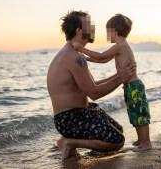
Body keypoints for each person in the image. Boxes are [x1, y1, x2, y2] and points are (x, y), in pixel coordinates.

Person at [47, 11, 136, 160]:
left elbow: (93, 84)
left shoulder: (75, 53)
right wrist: (121, 78)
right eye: (89, 25)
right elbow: (94, 93)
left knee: (118, 130)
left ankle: (71, 145)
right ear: (78, 31)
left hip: (81, 112)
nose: (94, 29)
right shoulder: (73, 57)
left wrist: (121, 75)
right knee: (117, 140)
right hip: (70, 119)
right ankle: (69, 142)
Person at [73, 14, 152, 151]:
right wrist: (87, 59)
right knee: (134, 113)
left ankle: (146, 143)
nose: (107, 35)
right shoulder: (119, 46)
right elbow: (103, 60)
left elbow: (102, 55)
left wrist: (81, 48)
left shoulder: (120, 45)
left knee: (140, 114)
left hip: (134, 86)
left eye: (108, 32)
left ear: (114, 31)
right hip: (130, 86)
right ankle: (141, 140)